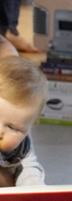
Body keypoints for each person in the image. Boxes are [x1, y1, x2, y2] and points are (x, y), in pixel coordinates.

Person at [0, 55, 46, 187]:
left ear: (29, 128)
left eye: (12, 128)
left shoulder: (23, 147)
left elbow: (29, 170)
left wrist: (33, 190)